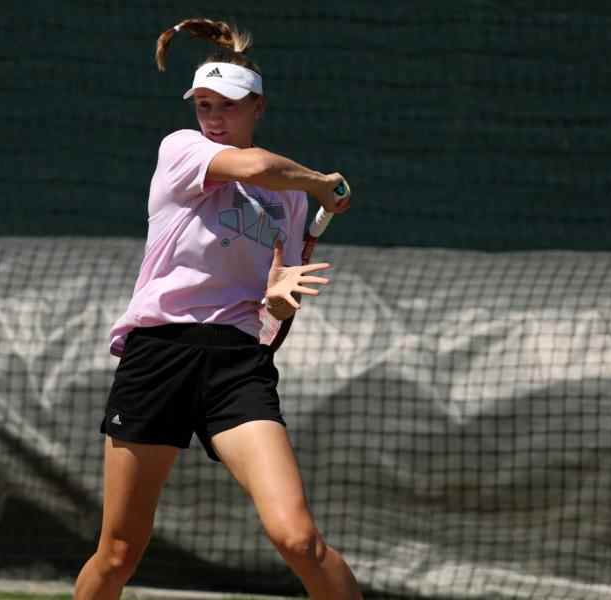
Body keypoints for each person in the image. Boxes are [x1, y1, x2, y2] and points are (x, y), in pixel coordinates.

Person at [74, 18, 362, 600]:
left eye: (226, 106)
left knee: (298, 540)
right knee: (119, 553)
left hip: (235, 366)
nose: (212, 117)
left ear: (257, 107)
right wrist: (320, 183)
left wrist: (277, 300)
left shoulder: (289, 197)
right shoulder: (180, 149)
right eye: (203, 104)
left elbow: (276, 294)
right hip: (158, 357)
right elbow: (255, 167)